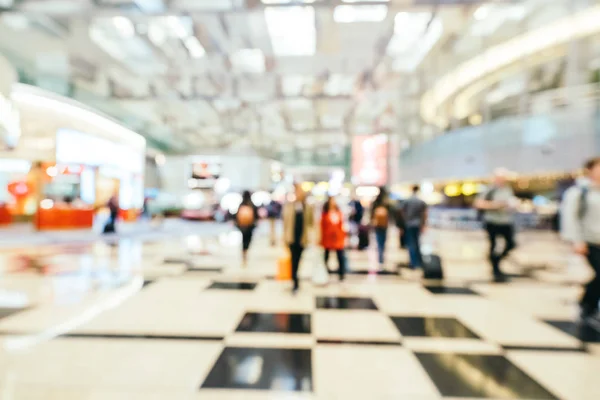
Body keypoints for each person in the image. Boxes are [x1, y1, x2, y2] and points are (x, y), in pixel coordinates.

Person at [561, 157, 600, 322]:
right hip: (589, 240)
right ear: (590, 170)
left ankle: (590, 304)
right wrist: (577, 240)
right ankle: (587, 304)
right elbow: (571, 218)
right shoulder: (579, 192)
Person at [474, 168, 517, 281]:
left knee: (511, 244)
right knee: (493, 245)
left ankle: (497, 260)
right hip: (492, 221)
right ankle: (495, 268)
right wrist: (497, 205)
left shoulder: (507, 189)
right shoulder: (489, 190)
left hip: (506, 221)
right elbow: (479, 204)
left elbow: (510, 202)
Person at [282, 184, 315, 293]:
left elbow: (311, 222)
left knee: (298, 260)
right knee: (293, 260)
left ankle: (296, 278)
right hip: (292, 238)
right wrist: (284, 238)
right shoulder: (290, 206)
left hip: (302, 239)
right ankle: (294, 280)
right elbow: (286, 223)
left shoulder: (307, 207)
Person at [321, 196, 347, 282]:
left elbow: (342, 225)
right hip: (327, 238)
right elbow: (322, 226)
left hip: (338, 238)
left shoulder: (339, 213)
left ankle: (341, 274)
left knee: (340, 256)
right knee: (326, 256)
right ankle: (324, 273)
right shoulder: (325, 214)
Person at [402, 185, 428, 269]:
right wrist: (423, 224)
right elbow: (424, 214)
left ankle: (413, 262)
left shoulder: (407, 201)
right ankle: (418, 262)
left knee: (410, 243)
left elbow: (401, 210)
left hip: (409, 224)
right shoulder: (420, 201)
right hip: (417, 224)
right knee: (417, 243)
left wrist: (405, 219)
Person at [236, 191, 259, 266]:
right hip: (250, 226)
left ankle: (244, 255)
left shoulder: (241, 204)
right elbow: (256, 216)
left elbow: (236, 216)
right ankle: (246, 253)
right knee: (248, 240)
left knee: (243, 240)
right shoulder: (252, 204)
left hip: (243, 226)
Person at [371, 187, 391, 268]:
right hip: (384, 225)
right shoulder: (386, 202)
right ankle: (381, 258)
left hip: (378, 225)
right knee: (383, 242)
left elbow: (372, 213)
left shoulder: (376, 202)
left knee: (379, 241)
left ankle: (380, 258)